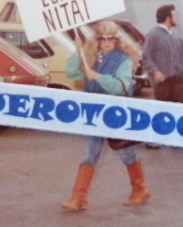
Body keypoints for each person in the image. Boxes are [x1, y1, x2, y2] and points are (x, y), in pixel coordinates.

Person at [61, 21, 149, 210]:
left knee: (126, 151)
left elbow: (121, 87)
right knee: (89, 154)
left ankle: (139, 189)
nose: (106, 42)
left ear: (117, 40)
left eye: (110, 39)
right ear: (98, 41)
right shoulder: (91, 57)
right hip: (94, 113)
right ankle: (78, 197)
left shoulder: (123, 60)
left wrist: (97, 77)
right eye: (102, 39)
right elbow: (71, 72)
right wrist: (78, 52)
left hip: (115, 112)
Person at [141, 4, 183, 148]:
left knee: (178, 108)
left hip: (178, 78)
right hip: (162, 80)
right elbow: (146, 56)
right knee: (160, 109)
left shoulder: (176, 34)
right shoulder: (153, 35)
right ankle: (155, 139)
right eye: (174, 15)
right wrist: (155, 71)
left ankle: (176, 139)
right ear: (167, 17)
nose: (176, 18)